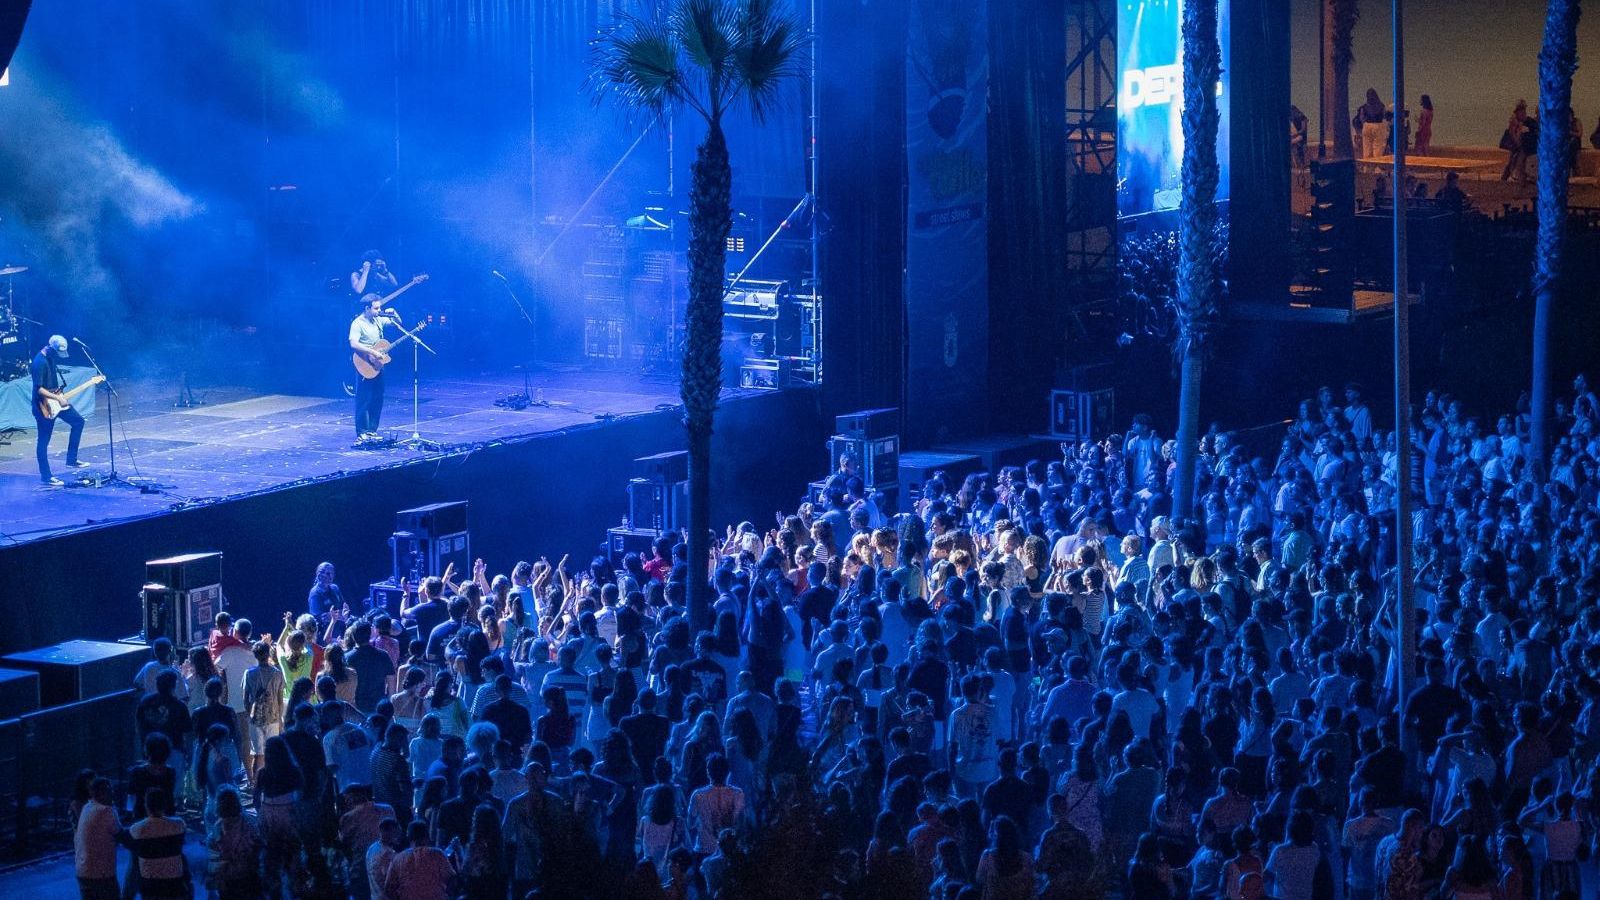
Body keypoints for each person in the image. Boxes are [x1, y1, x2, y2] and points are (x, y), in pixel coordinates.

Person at [30, 334, 90, 486]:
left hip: (55, 399)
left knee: (78, 422)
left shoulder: (51, 357)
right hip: (43, 406)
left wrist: (59, 396)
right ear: (51, 348)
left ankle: (71, 459)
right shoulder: (39, 362)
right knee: (43, 440)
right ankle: (46, 476)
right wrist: (57, 398)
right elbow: (39, 389)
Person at [349, 294, 401, 441]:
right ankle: (362, 431)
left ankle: (372, 430)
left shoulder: (378, 320)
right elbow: (353, 343)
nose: (379, 310)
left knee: (378, 397)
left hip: (378, 364)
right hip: (364, 364)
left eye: (380, 307)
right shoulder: (357, 323)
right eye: (376, 308)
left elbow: (398, 323)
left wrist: (394, 313)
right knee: (363, 398)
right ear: (367, 308)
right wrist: (371, 351)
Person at [128, 788, 189, 899]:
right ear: (164, 805)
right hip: (174, 883)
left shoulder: (136, 830)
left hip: (150, 884)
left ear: (146, 806)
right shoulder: (179, 825)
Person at [74, 777, 121, 900]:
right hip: (101, 874)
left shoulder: (87, 808)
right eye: (110, 790)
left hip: (83, 871)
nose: (113, 793)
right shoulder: (106, 811)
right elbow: (120, 834)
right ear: (101, 793)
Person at [384, 820, 454, 900]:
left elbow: (388, 888)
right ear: (427, 835)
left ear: (408, 837)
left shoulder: (398, 858)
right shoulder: (437, 854)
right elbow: (451, 880)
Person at [1502, 99, 1530, 183]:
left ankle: (1511, 174)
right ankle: (1512, 174)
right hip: (1512, 142)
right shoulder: (1515, 120)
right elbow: (1513, 134)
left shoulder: (1521, 119)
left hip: (1516, 141)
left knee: (1516, 155)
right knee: (1517, 154)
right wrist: (1518, 143)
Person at [1359, 89, 1387, 161]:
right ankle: (1377, 168)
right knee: (1378, 149)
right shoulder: (1381, 106)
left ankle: (1367, 167)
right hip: (1378, 126)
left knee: (1366, 149)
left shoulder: (1364, 107)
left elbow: (1362, 118)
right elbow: (1384, 116)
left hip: (1367, 126)